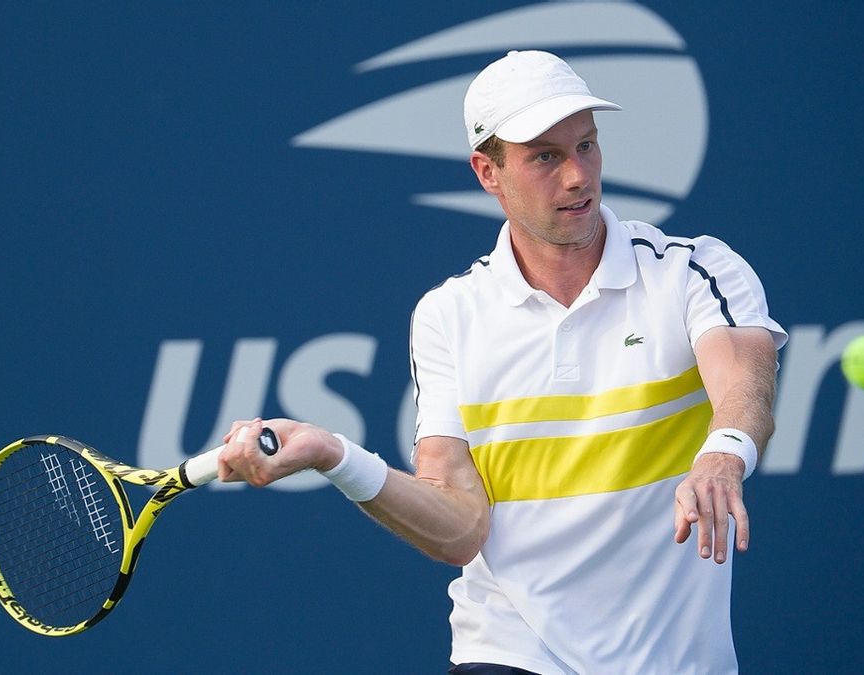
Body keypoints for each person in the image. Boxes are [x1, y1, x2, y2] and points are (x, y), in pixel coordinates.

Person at [218, 50, 787, 675]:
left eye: (587, 146)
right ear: (488, 172)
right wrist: (334, 454)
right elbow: (461, 529)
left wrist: (722, 456)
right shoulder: (449, 315)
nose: (578, 176)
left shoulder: (694, 271)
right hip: (510, 653)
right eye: (545, 156)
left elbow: (744, 383)